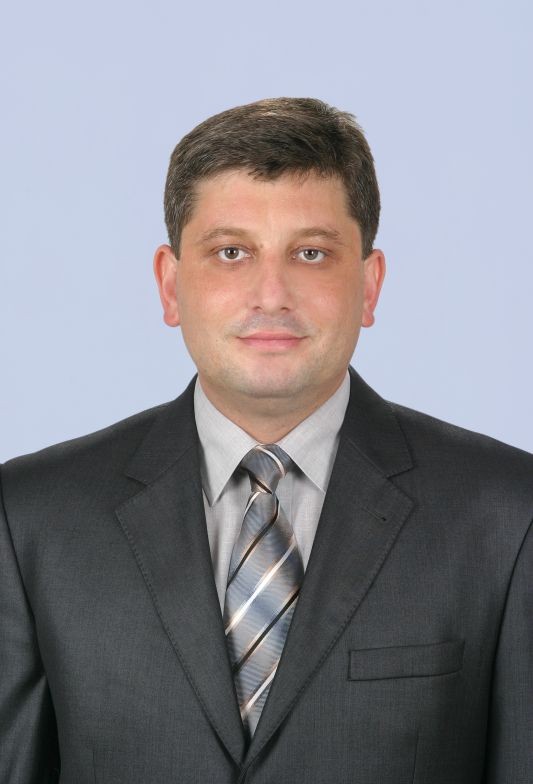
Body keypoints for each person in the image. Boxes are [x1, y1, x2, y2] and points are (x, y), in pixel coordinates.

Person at [1, 97, 531, 784]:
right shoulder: (30, 518)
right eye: (231, 253)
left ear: (369, 284)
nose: (271, 294)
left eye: (311, 253)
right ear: (170, 285)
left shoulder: (507, 516)